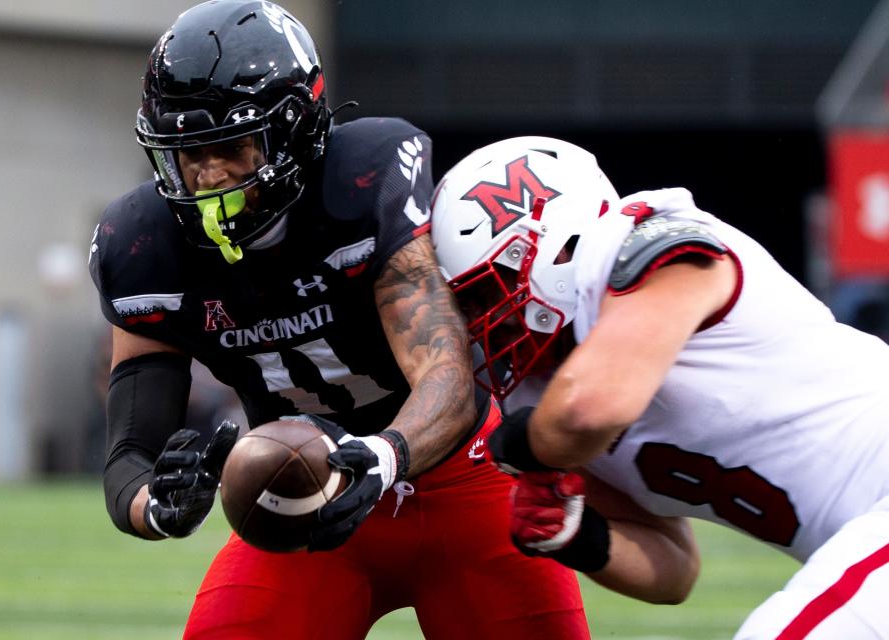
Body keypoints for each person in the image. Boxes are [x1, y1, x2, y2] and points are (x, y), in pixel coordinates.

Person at [89, 4, 590, 639]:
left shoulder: (361, 183)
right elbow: (129, 455)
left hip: (463, 479)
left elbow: (448, 377)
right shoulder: (141, 248)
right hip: (298, 497)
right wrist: (157, 504)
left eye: (229, 147)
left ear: (295, 129)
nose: (208, 176)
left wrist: (381, 458)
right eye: (188, 155)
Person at [430, 136, 889, 639]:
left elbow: (590, 411)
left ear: (555, 248)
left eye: (487, 290)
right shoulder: (540, 396)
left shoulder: (652, 243)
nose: (480, 320)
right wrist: (578, 534)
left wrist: (522, 446)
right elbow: (674, 569)